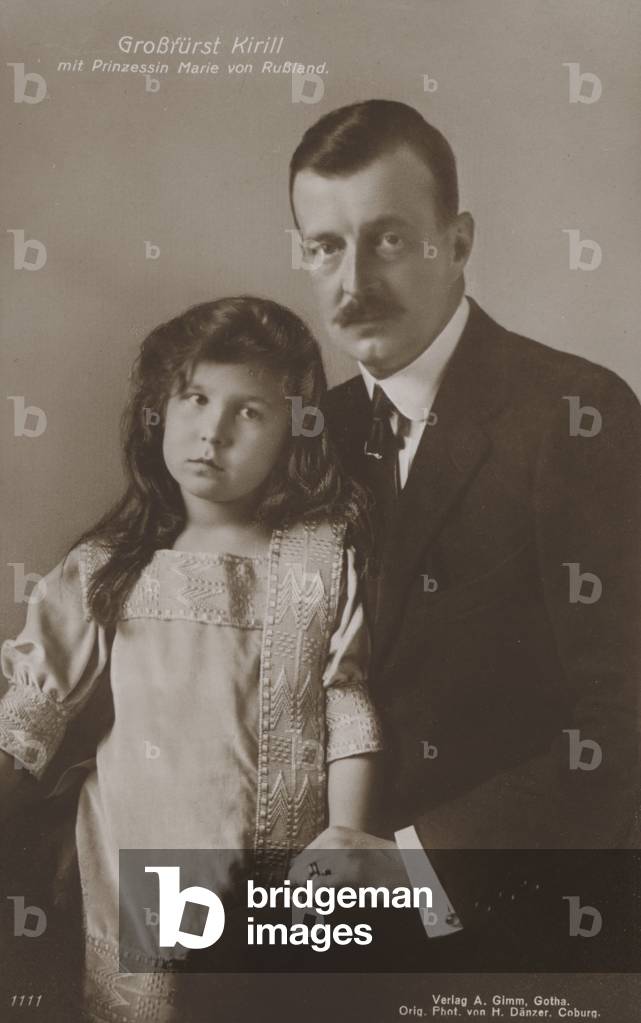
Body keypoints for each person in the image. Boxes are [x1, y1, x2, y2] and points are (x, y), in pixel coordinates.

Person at [287, 99, 641, 963]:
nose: (353, 280)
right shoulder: (314, 433)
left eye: (390, 239)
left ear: (460, 240)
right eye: (325, 246)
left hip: (531, 923)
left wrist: (411, 867)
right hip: (331, 923)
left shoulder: (574, 414)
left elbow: (623, 718)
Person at [0, 296, 384, 1020]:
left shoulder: (319, 556)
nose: (212, 430)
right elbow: (29, 715)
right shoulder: (109, 567)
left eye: (249, 412)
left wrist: (345, 831)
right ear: (158, 412)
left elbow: (347, 696)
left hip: (279, 864)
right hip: (141, 854)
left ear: (292, 433)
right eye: (195, 398)